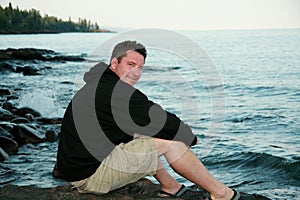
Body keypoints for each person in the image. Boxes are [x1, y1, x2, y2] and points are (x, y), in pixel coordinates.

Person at [56, 40, 254, 200]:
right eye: (130, 65)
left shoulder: (100, 84)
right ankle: (221, 194)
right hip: (90, 176)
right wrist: (190, 138)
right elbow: (162, 120)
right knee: (172, 143)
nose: (136, 72)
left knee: (145, 134)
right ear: (114, 63)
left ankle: (171, 186)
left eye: (140, 67)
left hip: (78, 168)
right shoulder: (116, 92)